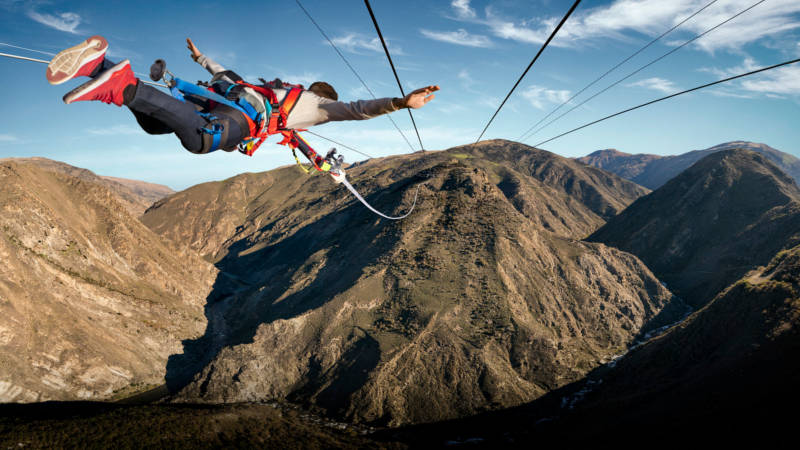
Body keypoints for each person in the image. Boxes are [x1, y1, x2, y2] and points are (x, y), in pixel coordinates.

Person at [46, 36, 439, 159]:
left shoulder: (274, 88)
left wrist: (200, 56)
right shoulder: (318, 106)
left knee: (156, 125)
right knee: (202, 141)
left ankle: (98, 66)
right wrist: (401, 103)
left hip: (223, 98)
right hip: (239, 117)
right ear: (323, 96)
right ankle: (120, 85)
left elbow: (222, 74)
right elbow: (356, 110)